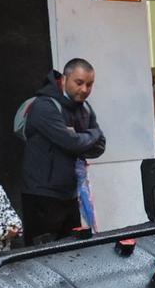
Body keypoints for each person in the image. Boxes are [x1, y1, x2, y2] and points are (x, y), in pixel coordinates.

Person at [19, 59, 106, 244]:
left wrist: (83, 138)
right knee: (42, 257)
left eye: (89, 85)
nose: (84, 90)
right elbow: (72, 143)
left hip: (70, 194)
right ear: (64, 79)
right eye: (79, 82)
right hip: (42, 195)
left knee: (71, 253)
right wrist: (91, 134)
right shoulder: (44, 106)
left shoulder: (85, 108)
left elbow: (100, 146)